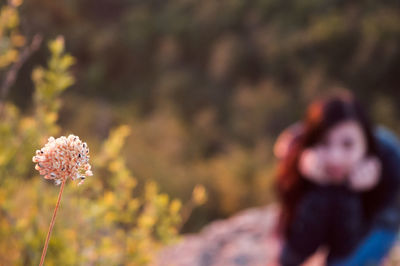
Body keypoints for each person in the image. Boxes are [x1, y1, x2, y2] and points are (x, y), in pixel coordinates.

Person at [274, 90, 400, 265]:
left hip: (369, 224)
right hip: (323, 217)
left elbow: (386, 220)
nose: (335, 157)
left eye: (347, 145)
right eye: (325, 143)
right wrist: (310, 178)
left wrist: (367, 192)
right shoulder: (300, 152)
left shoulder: (390, 158)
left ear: (367, 144)